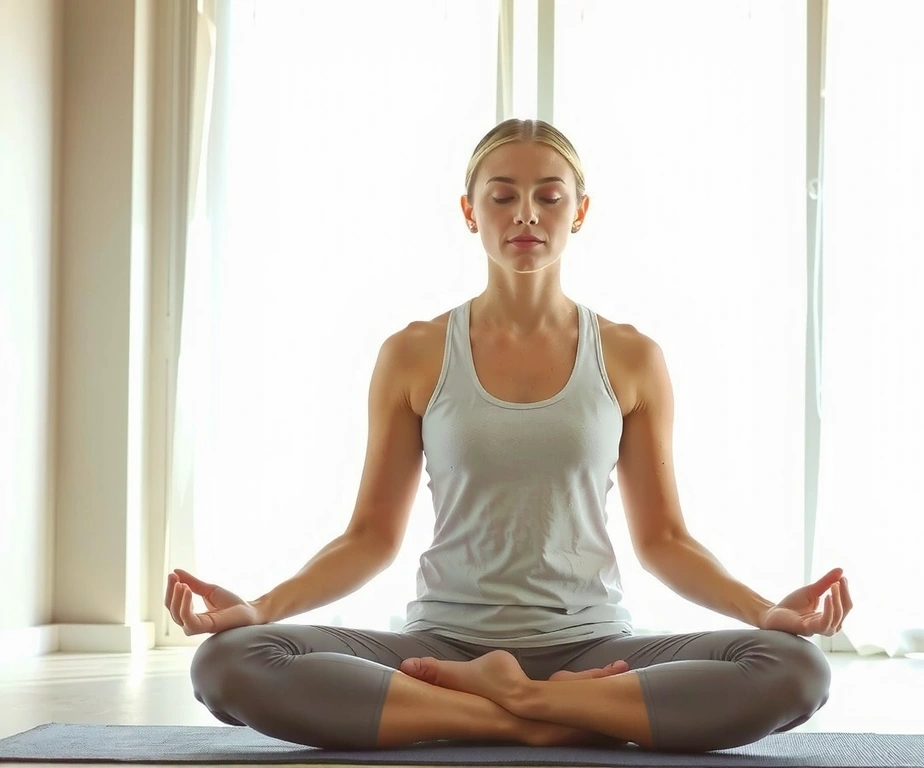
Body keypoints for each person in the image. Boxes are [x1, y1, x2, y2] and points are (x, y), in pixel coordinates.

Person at [167, 118, 853, 753]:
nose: (526, 213)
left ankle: (513, 701)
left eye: (549, 197)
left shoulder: (630, 356)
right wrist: (260, 607)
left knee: (794, 668)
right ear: (470, 212)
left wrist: (764, 610)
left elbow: (664, 541)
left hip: (593, 650)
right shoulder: (414, 352)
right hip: (441, 649)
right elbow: (370, 537)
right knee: (230, 661)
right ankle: (539, 718)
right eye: (502, 197)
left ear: (579, 211)